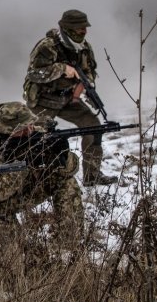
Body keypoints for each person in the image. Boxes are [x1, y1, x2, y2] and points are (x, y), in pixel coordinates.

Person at [23, 9, 117, 186]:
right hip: (43, 101)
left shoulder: (84, 48)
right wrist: (62, 69)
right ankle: (32, 180)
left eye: (85, 28)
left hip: (68, 100)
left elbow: (89, 72)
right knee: (34, 139)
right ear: (67, 28)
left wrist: (84, 86)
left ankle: (92, 176)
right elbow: (34, 73)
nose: (84, 32)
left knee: (93, 127)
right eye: (79, 28)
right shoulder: (47, 46)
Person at [0, 101, 84, 233]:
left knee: (66, 183)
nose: (29, 131)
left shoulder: (33, 132)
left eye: (30, 125)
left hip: (24, 190)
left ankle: (71, 238)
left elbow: (70, 171)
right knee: (14, 248)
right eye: (22, 129)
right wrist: (23, 163)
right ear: (6, 130)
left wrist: (63, 155)